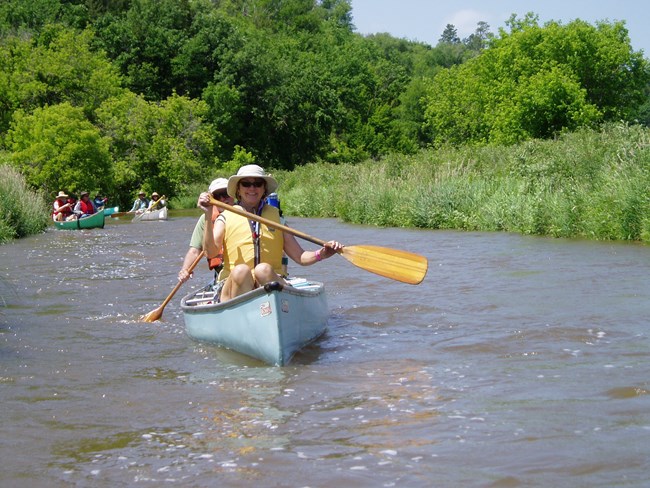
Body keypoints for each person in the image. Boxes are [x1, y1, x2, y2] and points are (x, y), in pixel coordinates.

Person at [199, 164, 343, 303]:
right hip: (234, 285)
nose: (252, 188)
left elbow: (300, 257)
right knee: (241, 271)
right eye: (246, 184)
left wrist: (322, 254)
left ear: (264, 189)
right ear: (238, 189)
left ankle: (276, 307)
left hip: (269, 280)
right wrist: (207, 215)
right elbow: (210, 252)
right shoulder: (225, 217)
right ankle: (238, 312)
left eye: (257, 183)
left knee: (263, 270)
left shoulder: (276, 218)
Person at [178, 178, 234, 284]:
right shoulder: (205, 219)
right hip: (222, 274)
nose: (222, 199)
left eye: (226, 194)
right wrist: (185, 270)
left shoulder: (247, 212)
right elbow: (195, 251)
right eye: (217, 196)